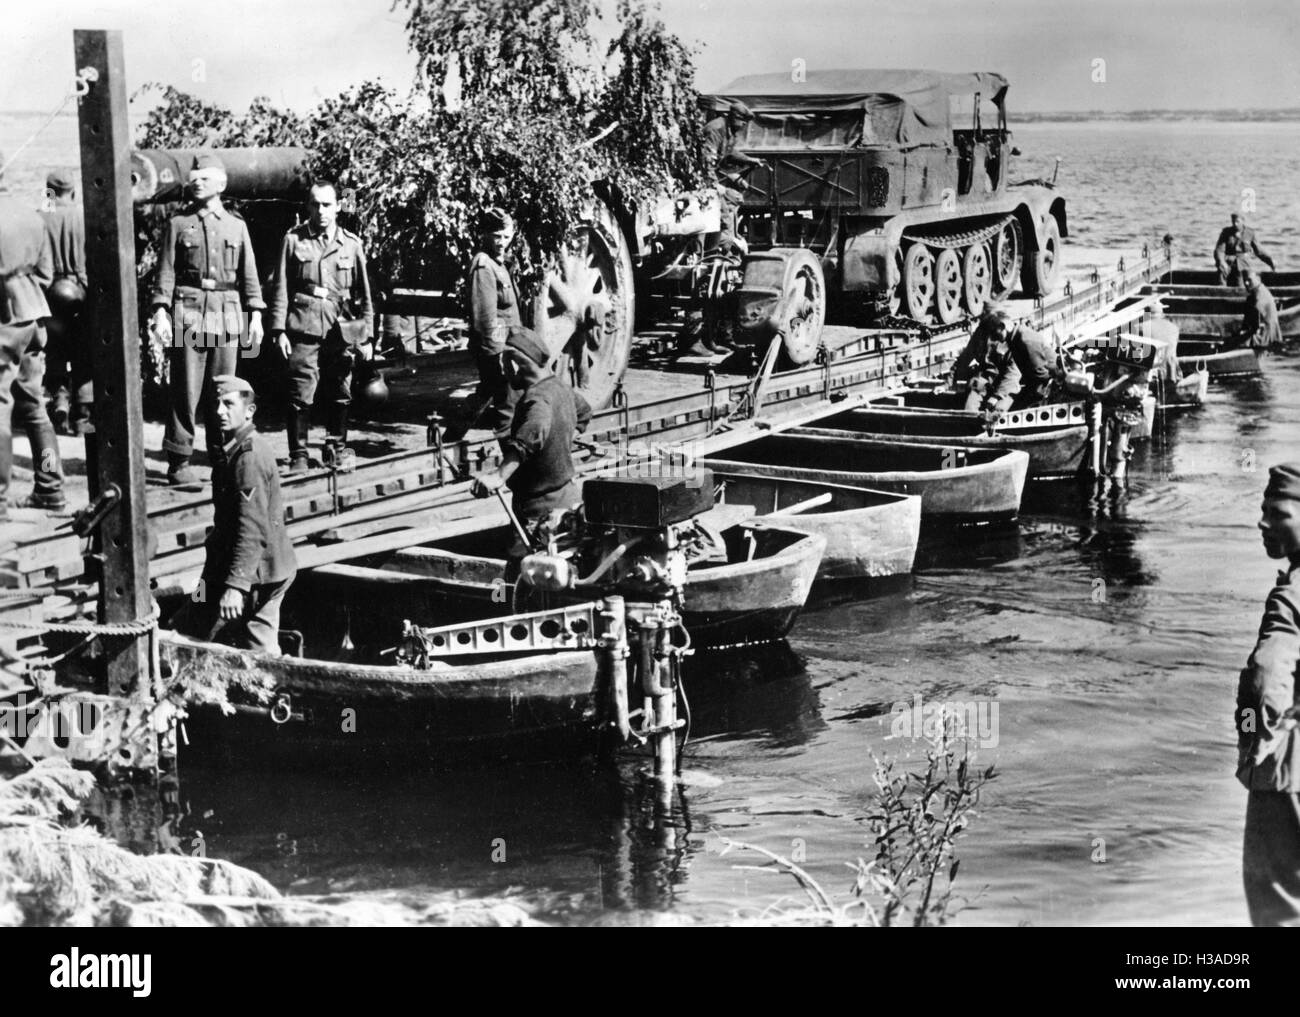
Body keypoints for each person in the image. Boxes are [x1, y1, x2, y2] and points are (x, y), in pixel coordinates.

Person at [149, 152, 265, 485]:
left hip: (226, 315)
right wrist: (161, 311)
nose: (196, 183)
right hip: (189, 313)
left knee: (224, 388)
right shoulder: (178, 224)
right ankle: (179, 460)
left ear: (221, 184)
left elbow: (250, 276)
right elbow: (165, 272)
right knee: (185, 390)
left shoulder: (236, 226)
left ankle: (221, 454)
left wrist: (256, 315)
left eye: (204, 179)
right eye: (194, 178)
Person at [177, 375, 296, 654]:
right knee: (189, 620)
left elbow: (251, 528)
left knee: (259, 649)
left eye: (228, 404)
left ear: (249, 411)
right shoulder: (235, 448)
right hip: (227, 567)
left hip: (259, 574)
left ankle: (276, 689)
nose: (219, 411)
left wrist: (237, 587)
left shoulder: (249, 458)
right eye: (216, 404)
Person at [268, 180, 375, 473]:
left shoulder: (351, 244)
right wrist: (278, 330)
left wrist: (367, 337)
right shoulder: (294, 240)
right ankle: (299, 455)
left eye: (327, 204)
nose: (321, 211)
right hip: (303, 326)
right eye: (315, 204)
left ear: (338, 206)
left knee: (341, 388)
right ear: (308, 206)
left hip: (341, 329)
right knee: (300, 391)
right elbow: (281, 287)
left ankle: (336, 449)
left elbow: (365, 294)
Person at [470, 326, 592, 570]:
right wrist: (560, 440)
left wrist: (498, 476)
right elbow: (584, 412)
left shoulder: (536, 400)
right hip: (569, 497)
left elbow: (532, 433)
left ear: (514, 365)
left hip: (538, 512)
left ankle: (507, 605)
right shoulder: (559, 386)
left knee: (521, 577)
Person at [1236, 462, 1300, 926]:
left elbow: (1265, 676)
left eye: (1276, 512)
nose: (1263, 522)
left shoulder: (1290, 598)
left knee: (1277, 905)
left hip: (1288, 772)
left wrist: (1254, 746)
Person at [0, 151, 65, 519]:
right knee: (33, 407)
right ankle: (51, 489)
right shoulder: (30, 215)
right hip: (33, 319)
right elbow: (45, 274)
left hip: (3, 318)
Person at [461, 207, 522, 437]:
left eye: (506, 236)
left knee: (485, 397)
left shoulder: (501, 264)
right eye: (496, 236)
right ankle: (512, 460)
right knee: (507, 408)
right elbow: (485, 320)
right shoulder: (484, 265)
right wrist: (500, 355)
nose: (502, 242)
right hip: (495, 350)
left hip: (505, 349)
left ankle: (449, 439)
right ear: (485, 235)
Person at [39, 170, 90, 435]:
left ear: (49, 191)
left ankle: (59, 403)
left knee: (55, 350)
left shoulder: (41, 217)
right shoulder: (83, 215)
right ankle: (82, 415)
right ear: (73, 190)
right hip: (80, 289)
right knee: (83, 351)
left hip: (50, 292)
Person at [1215, 213, 1275, 286]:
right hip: (1229, 263)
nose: (1235, 224)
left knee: (1245, 282)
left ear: (1243, 221)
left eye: (1237, 221)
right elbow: (1219, 250)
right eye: (1233, 221)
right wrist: (1221, 261)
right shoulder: (1226, 232)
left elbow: (1259, 251)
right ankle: (1222, 291)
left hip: (1244, 263)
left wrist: (1270, 262)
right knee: (1222, 273)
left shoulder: (1250, 233)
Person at [1239, 268, 1282, 350]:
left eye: (1249, 280)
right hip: (1268, 333)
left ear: (1257, 279)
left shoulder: (1259, 298)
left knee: (1231, 343)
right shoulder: (1259, 290)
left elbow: (1256, 327)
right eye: (1244, 280)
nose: (1246, 283)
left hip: (1264, 338)